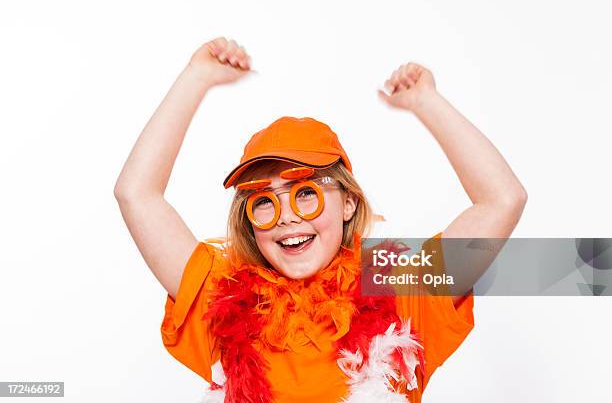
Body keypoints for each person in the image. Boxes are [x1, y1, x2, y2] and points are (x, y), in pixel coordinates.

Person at [114, 37, 527, 403]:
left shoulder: (401, 294)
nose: (287, 217)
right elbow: (137, 195)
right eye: (263, 202)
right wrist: (196, 78)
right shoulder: (222, 304)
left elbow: (501, 201)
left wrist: (426, 102)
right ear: (249, 222)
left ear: (348, 203)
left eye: (306, 194)